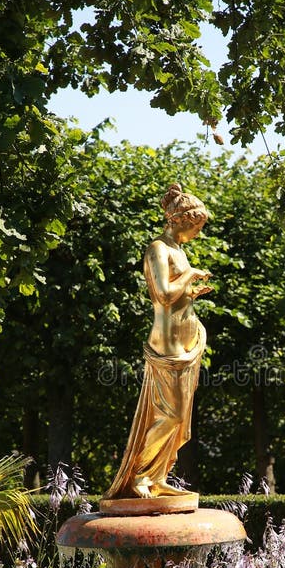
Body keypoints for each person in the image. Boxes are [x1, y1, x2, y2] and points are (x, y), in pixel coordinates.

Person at [103, 182, 212, 500]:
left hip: (185, 338)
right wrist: (191, 276)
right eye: (195, 227)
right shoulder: (157, 249)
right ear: (178, 220)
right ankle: (140, 474)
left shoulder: (178, 250)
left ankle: (158, 476)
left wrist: (193, 292)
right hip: (167, 342)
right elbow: (162, 296)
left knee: (179, 418)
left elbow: (179, 296)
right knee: (172, 414)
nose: (196, 233)